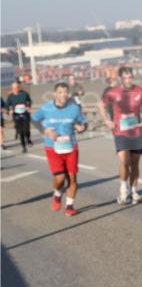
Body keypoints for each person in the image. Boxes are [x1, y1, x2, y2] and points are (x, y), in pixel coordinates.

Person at [32, 82, 88, 216]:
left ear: (68, 94)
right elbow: (34, 120)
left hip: (71, 147)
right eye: (60, 92)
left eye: (65, 92)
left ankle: (69, 206)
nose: (63, 95)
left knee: (72, 178)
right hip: (53, 148)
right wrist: (46, 131)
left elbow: (83, 122)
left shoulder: (74, 108)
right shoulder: (46, 108)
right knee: (60, 178)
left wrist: (82, 128)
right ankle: (57, 193)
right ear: (55, 94)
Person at [100, 67, 142, 204]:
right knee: (125, 161)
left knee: (135, 164)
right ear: (120, 79)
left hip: (136, 132)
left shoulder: (140, 91)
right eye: (125, 78)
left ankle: (134, 191)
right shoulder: (113, 92)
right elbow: (101, 105)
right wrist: (107, 120)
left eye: (130, 77)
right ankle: (123, 189)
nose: (128, 80)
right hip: (120, 132)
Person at [7, 80, 33, 152]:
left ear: (19, 87)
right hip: (16, 116)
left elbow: (29, 101)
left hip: (25, 114)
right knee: (20, 132)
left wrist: (28, 106)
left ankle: (28, 139)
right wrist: (9, 111)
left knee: (26, 130)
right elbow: (7, 105)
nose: (15, 89)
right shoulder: (10, 96)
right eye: (14, 88)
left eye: (17, 87)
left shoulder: (24, 93)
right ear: (12, 88)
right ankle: (23, 147)